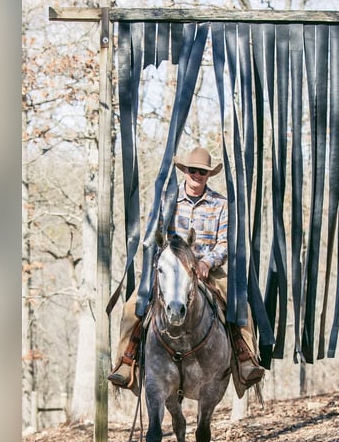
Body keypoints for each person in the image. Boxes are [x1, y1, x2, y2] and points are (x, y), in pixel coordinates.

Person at [108, 147, 264, 390]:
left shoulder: (220, 204)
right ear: (185, 172)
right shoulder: (167, 200)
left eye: (202, 171)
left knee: (240, 304)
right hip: (172, 268)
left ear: (208, 175)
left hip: (207, 269)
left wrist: (206, 262)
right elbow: (155, 234)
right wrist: (166, 260)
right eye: (193, 170)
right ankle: (125, 362)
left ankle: (245, 359)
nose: (197, 175)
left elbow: (224, 242)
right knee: (131, 306)